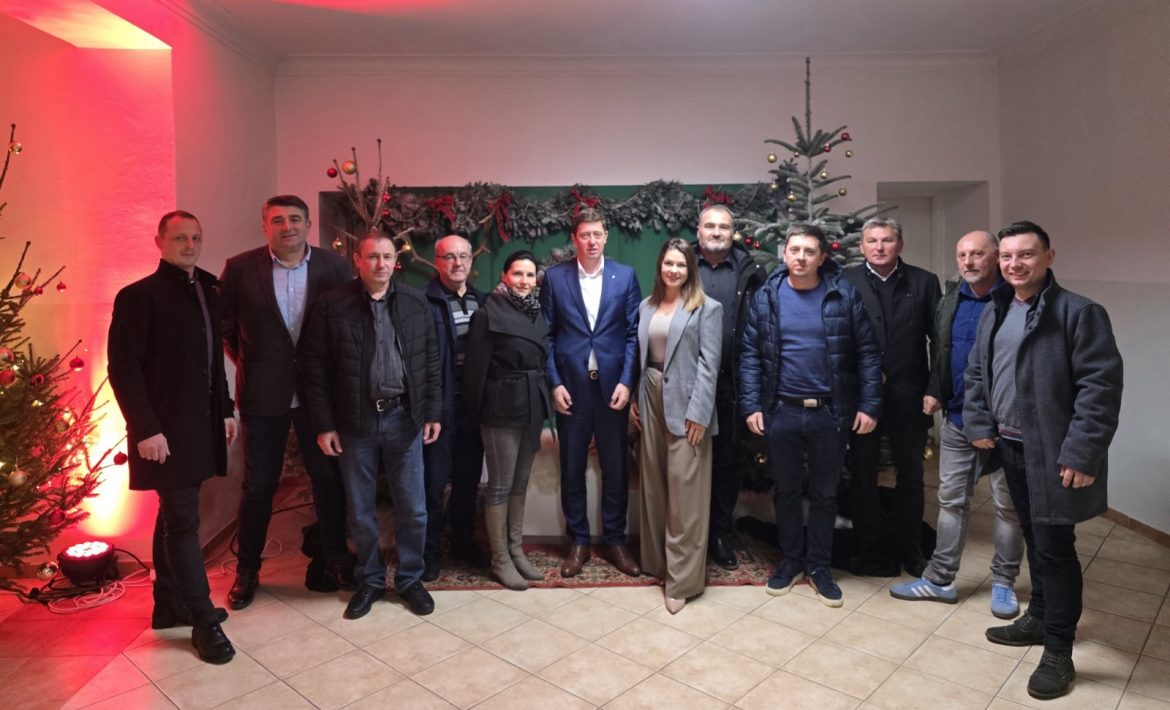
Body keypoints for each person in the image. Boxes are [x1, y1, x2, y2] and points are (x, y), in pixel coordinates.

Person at [964, 221, 1122, 700]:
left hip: (1054, 454)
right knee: (1034, 538)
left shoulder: (1079, 313)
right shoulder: (995, 310)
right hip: (1010, 448)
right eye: (1007, 256)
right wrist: (979, 423)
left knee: (1054, 549)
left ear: (1049, 257)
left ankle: (1058, 651)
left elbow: (1099, 389)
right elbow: (977, 372)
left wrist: (1082, 452)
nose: (1015, 264)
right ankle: (1038, 616)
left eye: (1026, 255)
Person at [107, 210, 237, 664]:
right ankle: (203, 621)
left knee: (173, 516)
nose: (189, 244)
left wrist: (226, 409)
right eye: (180, 237)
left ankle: (168, 605)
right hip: (161, 433)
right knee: (183, 523)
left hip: (200, 427)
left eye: (195, 237)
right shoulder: (137, 297)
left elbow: (212, 361)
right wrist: (145, 428)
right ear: (159, 241)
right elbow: (123, 370)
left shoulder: (206, 290)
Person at [220, 195, 353, 611]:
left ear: (308, 224)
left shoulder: (335, 267)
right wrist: (251, 363)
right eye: (277, 220)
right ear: (265, 226)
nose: (287, 226)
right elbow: (226, 328)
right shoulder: (240, 268)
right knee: (259, 485)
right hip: (263, 395)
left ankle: (335, 558)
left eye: (295, 219)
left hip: (320, 395)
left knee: (328, 480)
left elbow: (346, 325)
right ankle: (248, 569)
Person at [300, 231, 442, 619]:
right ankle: (371, 579)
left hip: (404, 418)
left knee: (413, 507)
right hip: (354, 421)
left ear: (397, 261)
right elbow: (315, 369)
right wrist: (324, 424)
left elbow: (430, 360)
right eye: (373, 257)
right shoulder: (332, 305)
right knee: (360, 509)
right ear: (358, 261)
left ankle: (410, 579)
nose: (381, 264)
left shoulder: (414, 301)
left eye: (387, 257)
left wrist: (432, 413)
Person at [739, 223, 882, 607]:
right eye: (794, 250)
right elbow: (750, 353)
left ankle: (819, 566)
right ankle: (791, 561)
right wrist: (751, 405)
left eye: (809, 251)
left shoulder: (843, 295)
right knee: (786, 492)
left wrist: (869, 405)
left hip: (830, 414)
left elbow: (868, 354)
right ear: (785, 253)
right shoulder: (767, 297)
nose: (800, 257)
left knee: (824, 494)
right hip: (780, 411)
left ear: (821, 257)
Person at [890, 231, 1024, 618]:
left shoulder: (1014, 301)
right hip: (957, 419)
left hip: (1004, 425)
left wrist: (995, 423)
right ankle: (940, 579)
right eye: (962, 254)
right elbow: (941, 348)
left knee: (1008, 508)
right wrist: (936, 389)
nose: (968, 261)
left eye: (977, 254)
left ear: (995, 258)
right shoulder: (952, 298)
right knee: (951, 502)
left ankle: (1004, 583)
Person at [540, 207, 642, 578]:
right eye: (585, 235)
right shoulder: (555, 278)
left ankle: (615, 541)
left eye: (598, 234)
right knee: (572, 468)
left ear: (606, 236)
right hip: (571, 389)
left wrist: (627, 382)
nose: (592, 241)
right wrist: (555, 383)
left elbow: (632, 335)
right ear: (574, 239)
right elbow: (547, 336)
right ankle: (579, 541)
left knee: (615, 468)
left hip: (613, 389)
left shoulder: (625, 276)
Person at [841, 217, 941, 577]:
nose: (879, 247)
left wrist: (935, 388)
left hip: (910, 398)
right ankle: (868, 546)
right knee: (862, 474)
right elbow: (837, 341)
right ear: (862, 246)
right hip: (861, 401)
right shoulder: (846, 281)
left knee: (911, 476)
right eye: (872, 241)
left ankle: (910, 548)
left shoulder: (924, 282)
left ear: (900, 244)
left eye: (886, 240)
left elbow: (939, 341)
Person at [631, 238, 722, 614]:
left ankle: (681, 581)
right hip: (649, 397)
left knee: (686, 494)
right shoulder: (646, 306)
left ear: (690, 270)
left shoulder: (707, 308)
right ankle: (657, 565)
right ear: (660, 266)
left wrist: (699, 413)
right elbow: (640, 358)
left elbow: (710, 365)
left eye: (681, 265)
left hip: (688, 405)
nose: (673, 270)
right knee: (653, 486)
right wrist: (635, 400)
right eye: (668, 263)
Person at [461, 250, 552, 590]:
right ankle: (499, 559)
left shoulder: (536, 310)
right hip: (500, 407)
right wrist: (472, 417)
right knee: (500, 483)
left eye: (530, 275)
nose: (524, 281)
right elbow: (474, 372)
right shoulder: (488, 313)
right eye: (518, 274)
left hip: (531, 404)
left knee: (520, 481)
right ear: (504, 276)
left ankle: (516, 551)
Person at [692, 205, 765, 570]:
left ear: (733, 232)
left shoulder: (750, 271)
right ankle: (691, 536)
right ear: (699, 230)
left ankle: (719, 534)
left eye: (724, 226)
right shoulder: (683, 264)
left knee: (727, 463)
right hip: (689, 384)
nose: (717, 232)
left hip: (732, 383)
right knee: (689, 461)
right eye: (710, 226)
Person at [422, 234, 489, 581]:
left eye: (463, 256)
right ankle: (429, 552)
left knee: (467, 482)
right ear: (437, 262)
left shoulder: (484, 302)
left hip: (472, 408)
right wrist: (428, 410)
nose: (457, 262)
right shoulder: (423, 302)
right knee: (433, 485)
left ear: (471, 261)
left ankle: (463, 543)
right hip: (438, 409)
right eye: (449, 256)